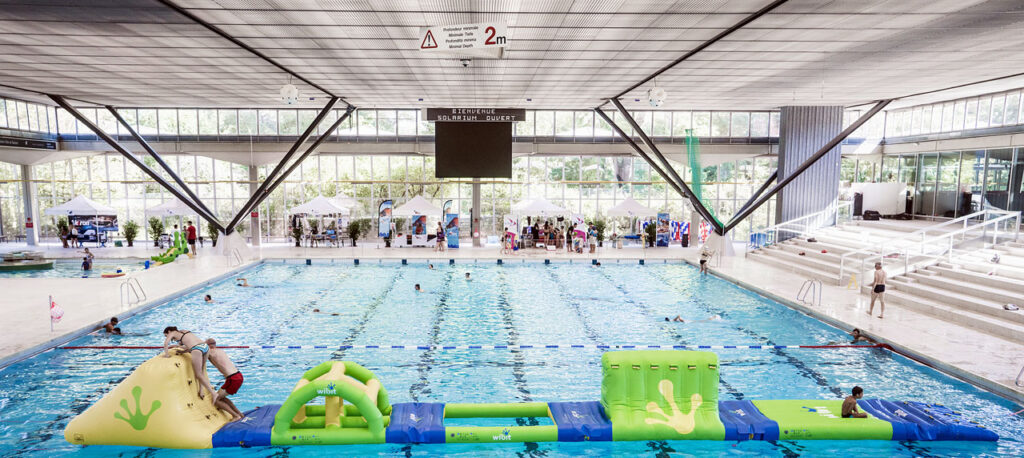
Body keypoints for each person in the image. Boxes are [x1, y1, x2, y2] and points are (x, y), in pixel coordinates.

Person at [162, 326, 219, 402]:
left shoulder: (172, 333)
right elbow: (190, 344)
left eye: (166, 335)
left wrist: (167, 355)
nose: (168, 337)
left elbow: (166, 344)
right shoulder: (184, 330)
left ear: (168, 331)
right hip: (205, 347)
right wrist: (182, 351)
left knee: (198, 374)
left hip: (197, 349)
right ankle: (201, 390)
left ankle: (214, 394)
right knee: (201, 371)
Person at [205, 338, 245, 421]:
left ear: (207, 345)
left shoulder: (210, 352)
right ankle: (240, 414)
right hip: (238, 375)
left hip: (233, 379)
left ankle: (235, 416)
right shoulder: (220, 351)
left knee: (216, 400)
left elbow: (195, 349)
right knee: (221, 397)